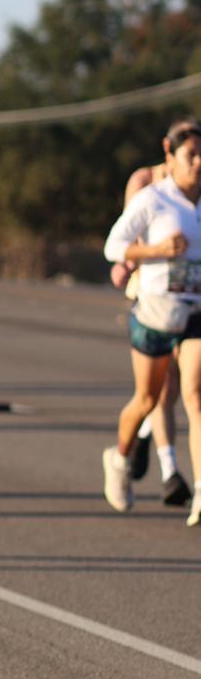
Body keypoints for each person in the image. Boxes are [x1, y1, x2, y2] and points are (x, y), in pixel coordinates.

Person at [102, 117, 201, 524]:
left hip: (196, 311)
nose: (198, 163)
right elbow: (114, 246)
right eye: (191, 155)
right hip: (155, 311)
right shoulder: (152, 195)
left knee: (195, 395)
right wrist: (158, 250)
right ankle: (120, 459)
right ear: (170, 154)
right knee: (149, 399)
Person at [111, 154, 186, 504]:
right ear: (171, 151)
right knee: (161, 389)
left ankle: (146, 436)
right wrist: (128, 263)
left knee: (181, 389)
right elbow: (128, 237)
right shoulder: (144, 183)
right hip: (152, 299)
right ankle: (167, 469)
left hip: (191, 303)